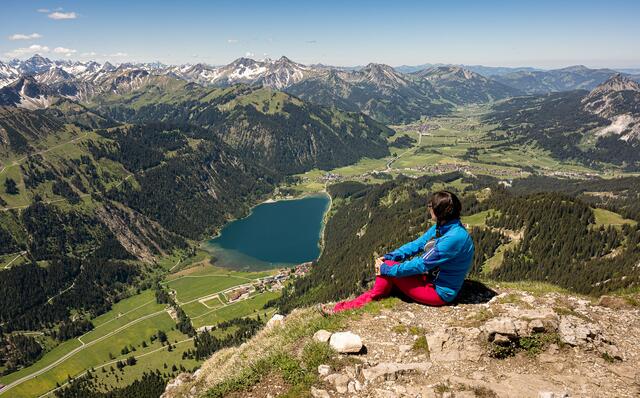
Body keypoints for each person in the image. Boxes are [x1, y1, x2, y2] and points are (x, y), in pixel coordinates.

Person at [322, 190, 474, 314]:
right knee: (388, 267)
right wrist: (392, 256)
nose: (429, 208)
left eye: (431, 206)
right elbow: (418, 244)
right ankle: (366, 299)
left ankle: (344, 308)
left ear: (438, 212)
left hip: (439, 292)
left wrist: (387, 268)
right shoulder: (445, 227)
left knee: (386, 272)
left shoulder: (453, 238)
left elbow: (422, 264)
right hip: (430, 280)